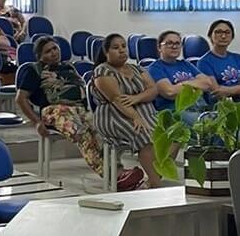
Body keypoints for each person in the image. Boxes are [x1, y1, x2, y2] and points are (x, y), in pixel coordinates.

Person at [16, 37, 144, 190]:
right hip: (55, 110)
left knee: (100, 131)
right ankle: (115, 176)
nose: (53, 53)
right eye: (48, 51)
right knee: (82, 133)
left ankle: (120, 172)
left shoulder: (68, 67)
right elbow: (20, 98)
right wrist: (36, 122)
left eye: (55, 48)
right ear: (40, 56)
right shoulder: (33, 70)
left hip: (79, 109)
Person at [90, 34, 163, 188]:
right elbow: (117, 99)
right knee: (144, 135)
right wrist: (136, 117)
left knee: (171, 136)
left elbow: (153, 89)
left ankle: (154, 177)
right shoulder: (103, 71)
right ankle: (156, 183)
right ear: (106, 52)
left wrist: (137, 98)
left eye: (124, 46)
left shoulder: (136, 68)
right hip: (115, 116)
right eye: (116, 48)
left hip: (146, 113)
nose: (122, 50)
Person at [148, 31, 216, 122]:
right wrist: (195, 84)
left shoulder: (185, 64)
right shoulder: (155, 68)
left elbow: (208, 84)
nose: (174, 46)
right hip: (176, 112)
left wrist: (183, 84)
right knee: (210, 126)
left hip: (201, 107)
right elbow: (170, 92)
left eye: (177, 43)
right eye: (169, 43)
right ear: (160, 47)